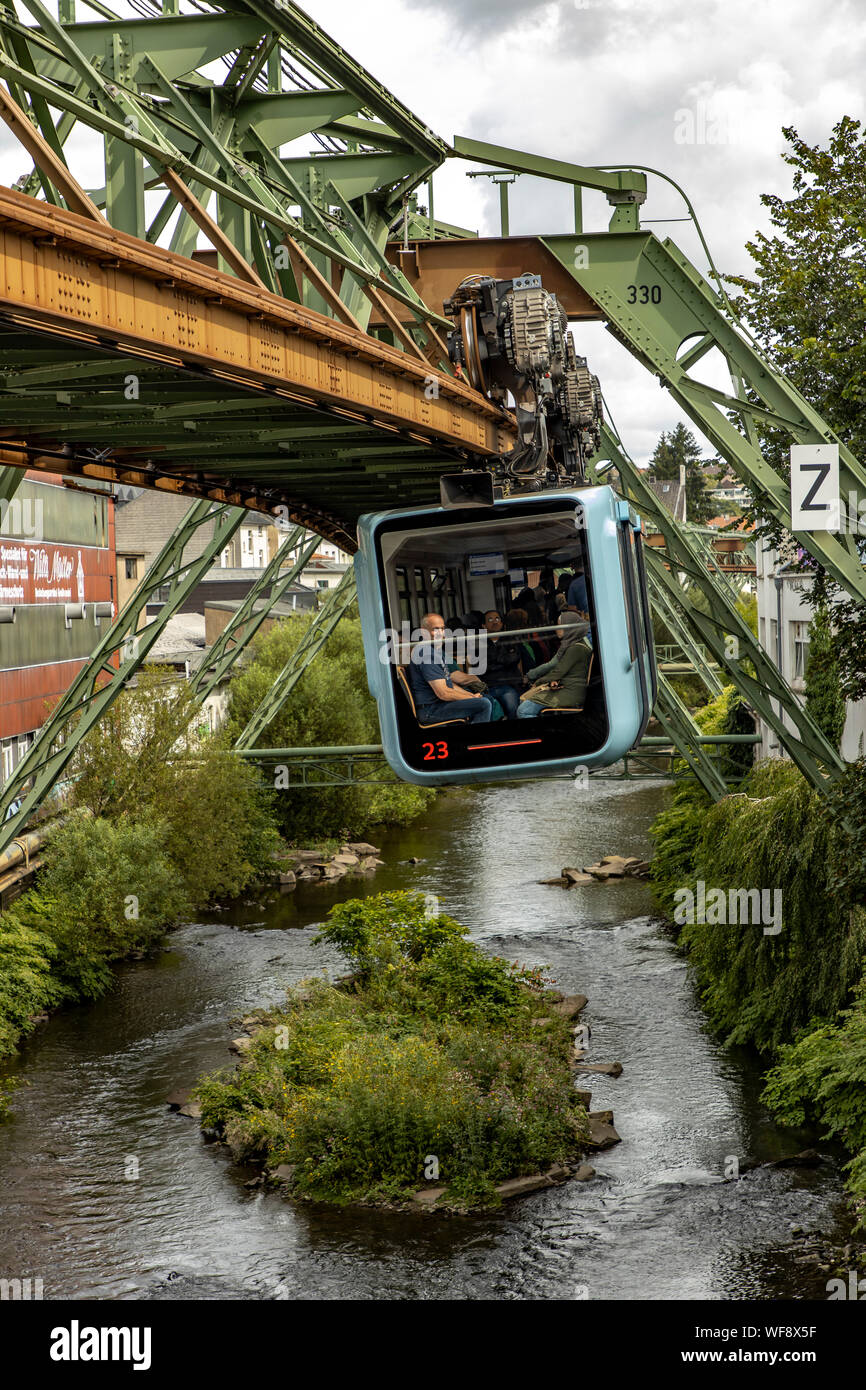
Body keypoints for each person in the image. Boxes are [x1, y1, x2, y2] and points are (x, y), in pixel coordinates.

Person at [408, 613, 493, 724]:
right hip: (430, 710)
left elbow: (450, 685)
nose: (440, 633)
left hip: (439, 704)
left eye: (442, 629)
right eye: (435, 629)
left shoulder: (435, 651)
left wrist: (471, 696)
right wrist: (471, 699)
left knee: (485, 699)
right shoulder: (426, 654)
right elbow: (443, 693)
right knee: (483, 704)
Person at [517, 611, 592, 717]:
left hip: (571, 692)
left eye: (559, 625)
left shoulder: (575, 648)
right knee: (524, 701)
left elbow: (559, 671)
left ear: (568, 627)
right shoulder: (574, 644)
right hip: (566, 688)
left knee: (523, 710)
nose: (556, 628)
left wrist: (538, 682)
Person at [480, 609, 523, 719]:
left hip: (508, 684)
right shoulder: (478, 643)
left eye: (497, 618)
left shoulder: (511, 639)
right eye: (490, 619)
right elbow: (482, 666)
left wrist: (494, 660)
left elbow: (514, 659)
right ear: (484, 626)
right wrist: (503, 659)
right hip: (488, 686)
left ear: (502, 623)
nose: (494, 622)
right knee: (485, 710)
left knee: (513, 708)